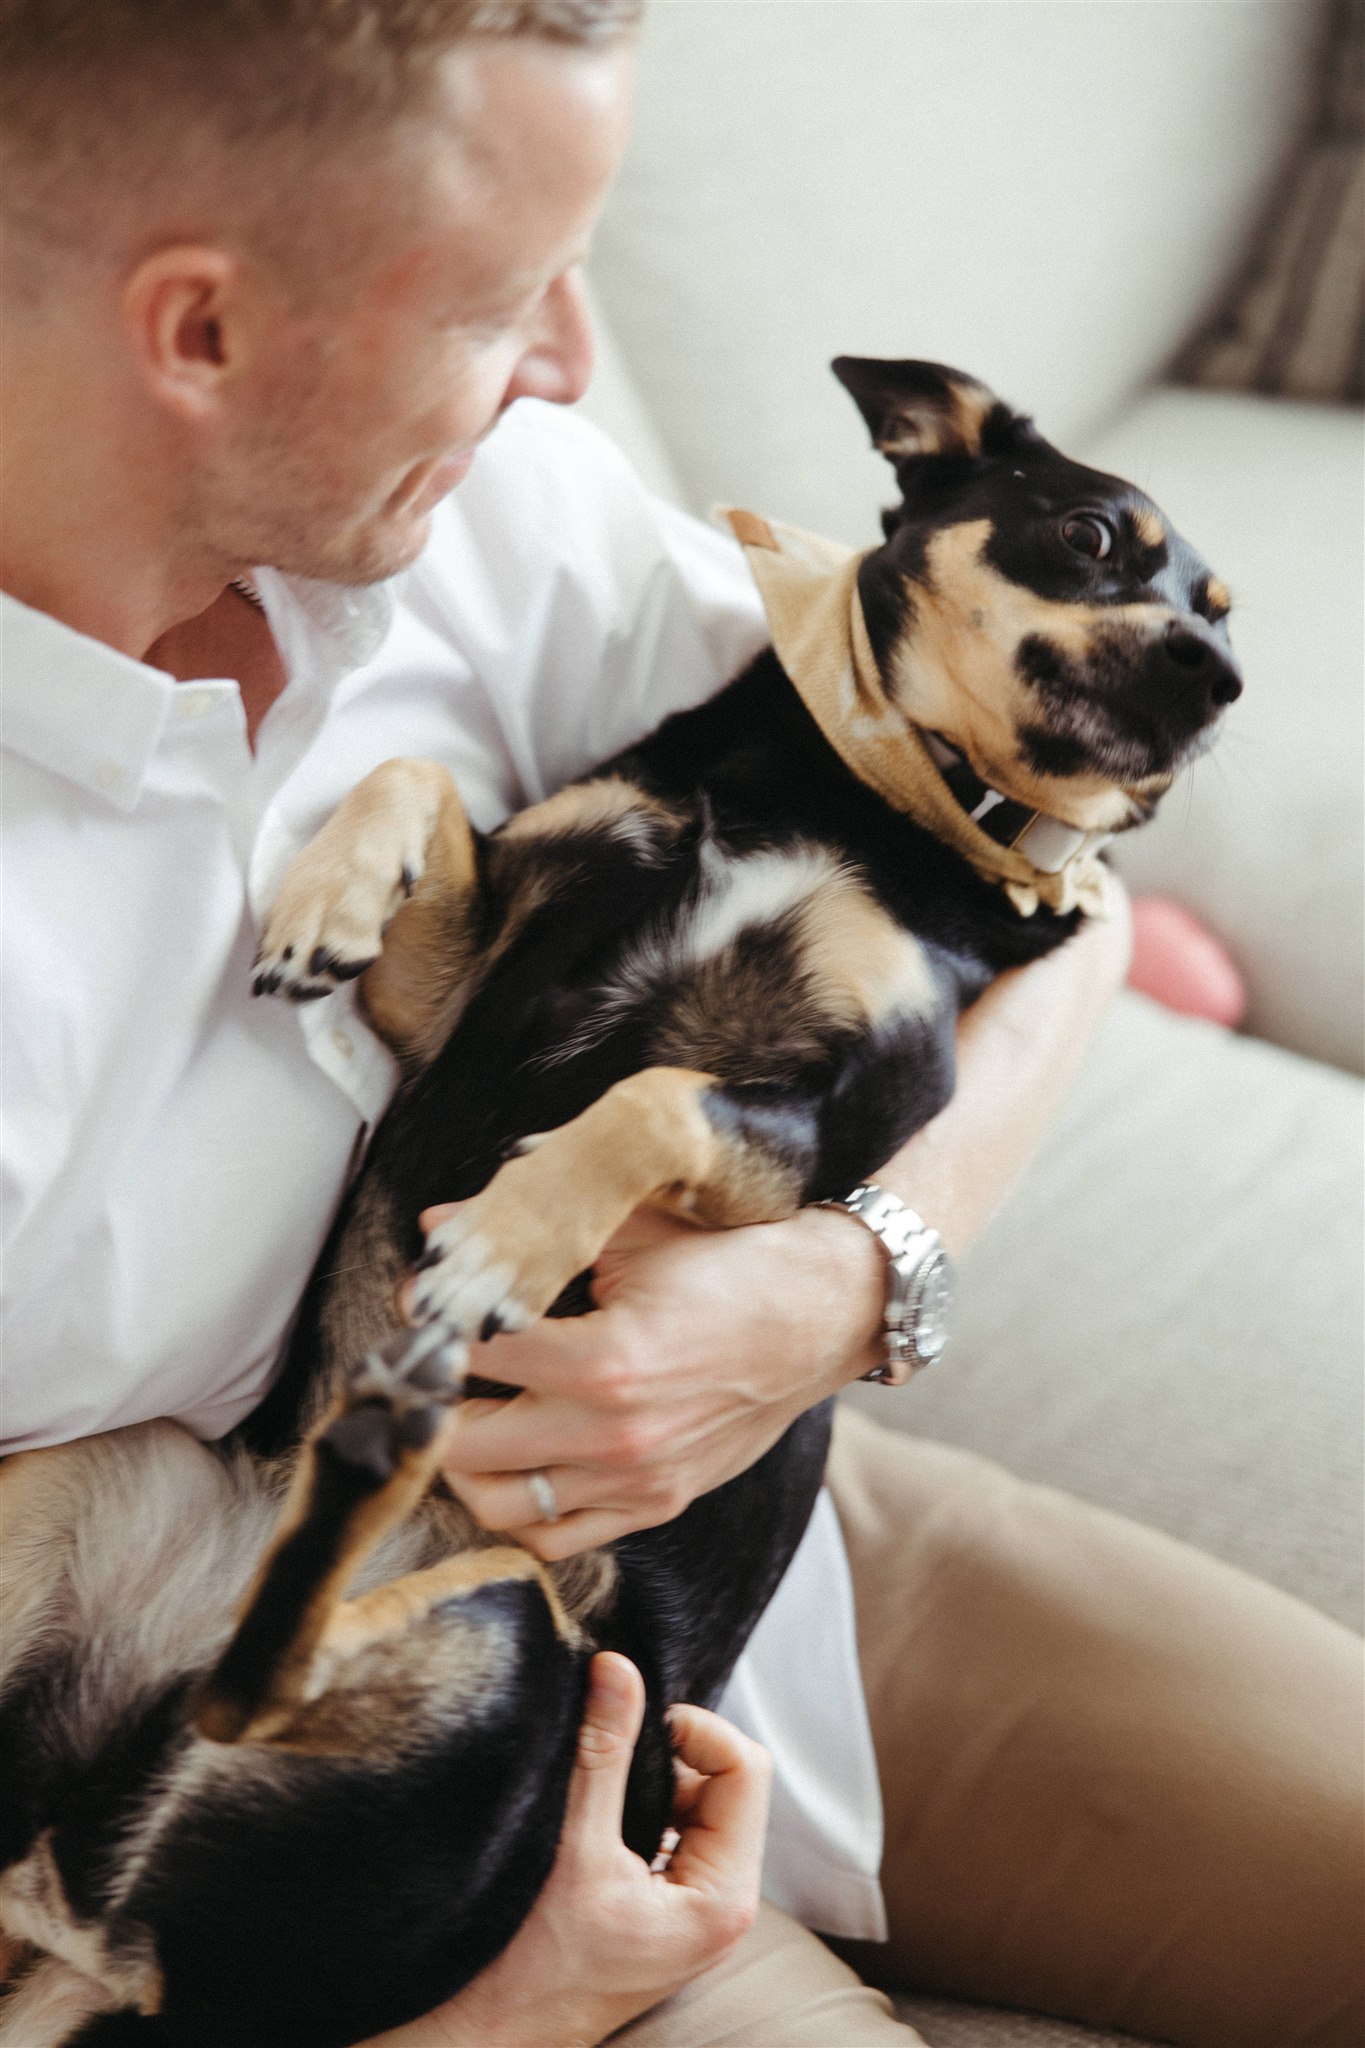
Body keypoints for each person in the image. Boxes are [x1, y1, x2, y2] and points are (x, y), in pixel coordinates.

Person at [1, 5, 1359, 2046]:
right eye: (491, 302)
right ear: (195, 332)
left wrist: (836, 1286)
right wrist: (519, 2012)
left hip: (755, 1542)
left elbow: (1046, 896)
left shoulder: (481, 509)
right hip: (306, 1843)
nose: (567, 360)